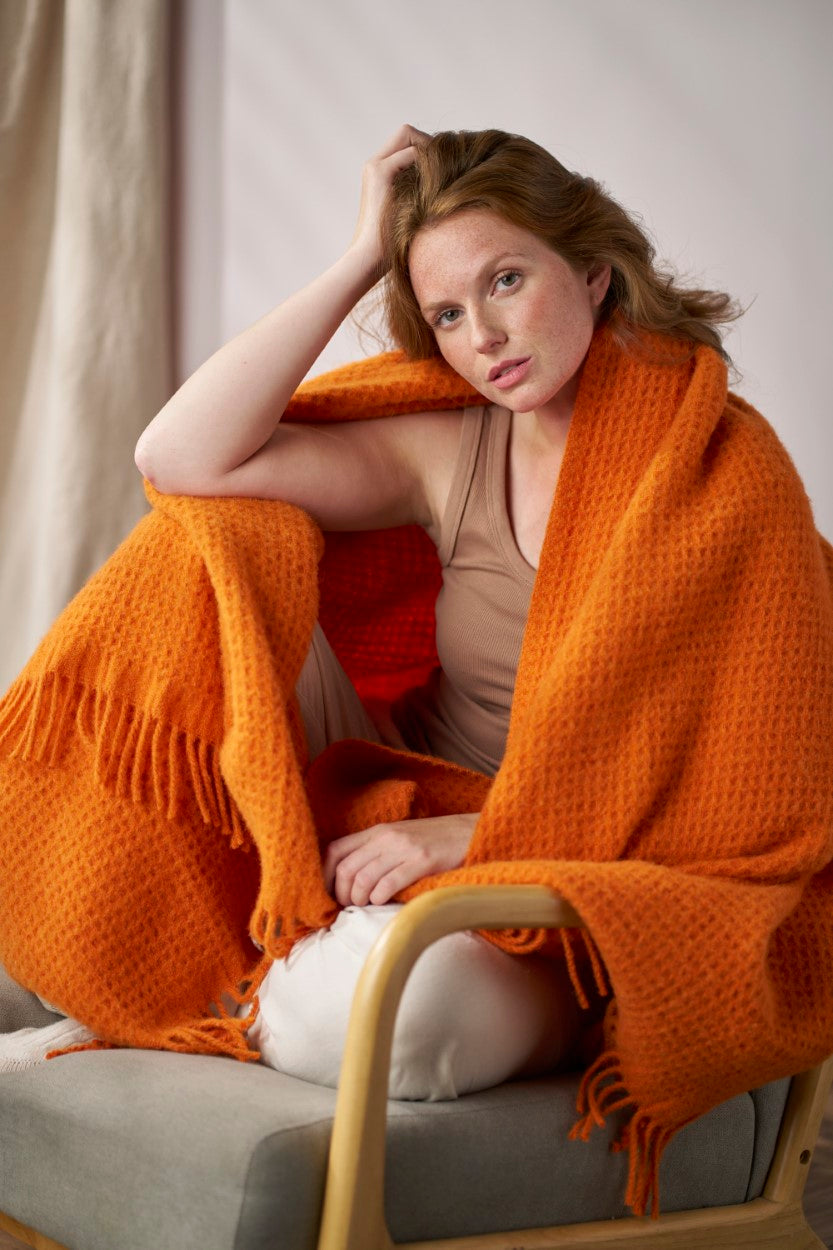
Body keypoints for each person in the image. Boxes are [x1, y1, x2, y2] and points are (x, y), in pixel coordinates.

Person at [0, 124, 742, 1092]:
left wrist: (472, 839)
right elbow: (177, 457)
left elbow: (730, 794)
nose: (479, 335)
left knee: (414, 1016)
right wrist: (359, 258)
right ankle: (184, 964)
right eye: (443, 311)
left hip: (557, 880)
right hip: (390, 799)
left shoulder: (713, 474)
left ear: (592, 271)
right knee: (207, 544)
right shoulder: (454, 446)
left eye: (505, 280)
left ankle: (185, 989)